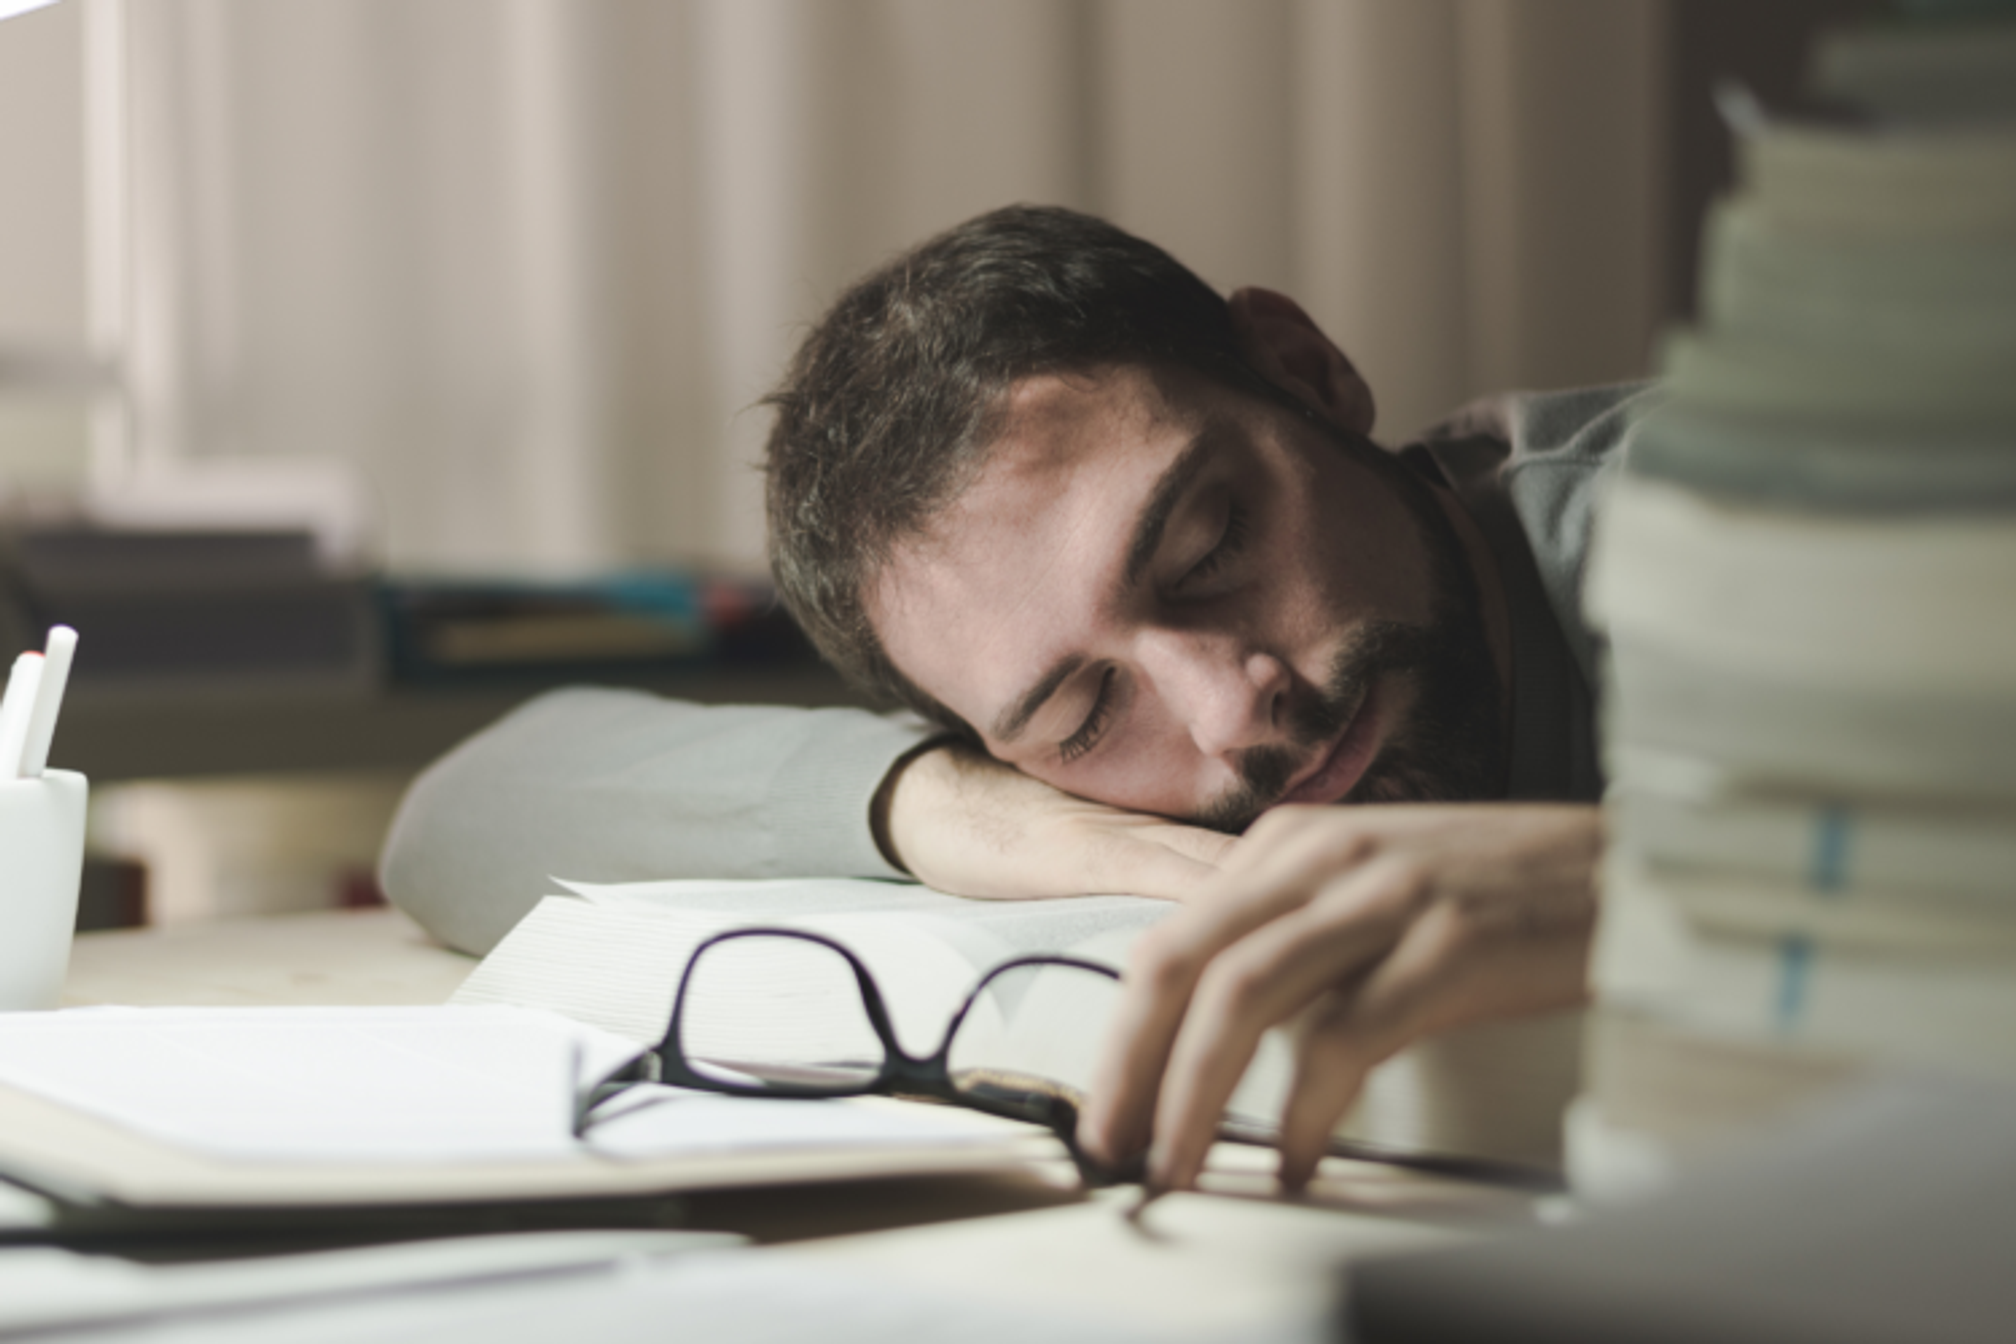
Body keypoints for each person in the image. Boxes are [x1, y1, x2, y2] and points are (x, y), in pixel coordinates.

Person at [381, 204, 1656, 1192]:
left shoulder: (1728, 528)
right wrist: (980, 816)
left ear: (1305, 371)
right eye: (1082, 718)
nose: (1228, 714)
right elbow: (457, 813)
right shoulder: (1054, 789)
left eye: (1212, 546)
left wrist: (1637, 884)